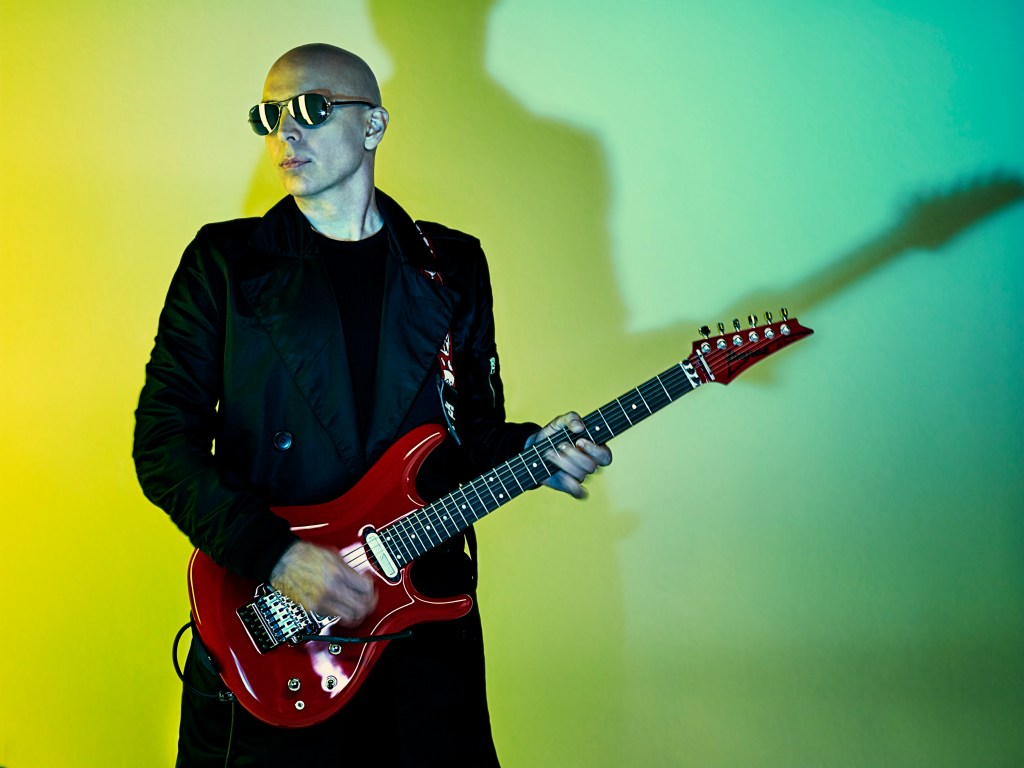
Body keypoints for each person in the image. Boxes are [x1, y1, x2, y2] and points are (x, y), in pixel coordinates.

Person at [133, 43, 611, 766]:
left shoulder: (451, 264)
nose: (286, 132)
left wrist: (530, 450)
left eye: (311, 108)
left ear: (373, 126)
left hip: (420, 628)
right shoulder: (224, 263)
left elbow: (467, 431)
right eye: (269, 116)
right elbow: (163, 444)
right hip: (274, 626)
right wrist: (276, 555)